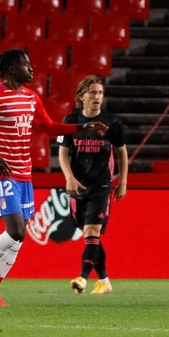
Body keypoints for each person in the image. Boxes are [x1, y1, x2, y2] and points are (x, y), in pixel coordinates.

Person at [0, 49, 108, 307]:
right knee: (16, 231)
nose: (31, 69)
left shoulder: (31, 98)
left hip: (25, 174)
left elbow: (49, 127)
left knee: (19, 239)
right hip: (2, 172)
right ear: (10, 69)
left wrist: (82, 127)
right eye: (25, 65)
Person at [59, 75, 128, 295]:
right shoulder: (70, 120)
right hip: (78, 186)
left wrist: (123, 181)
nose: (97, 97)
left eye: (100, 93)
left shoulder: (112, 122)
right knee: (91, 236)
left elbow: (122, 152)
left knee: (91, 231)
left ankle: (82, 278)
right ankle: (105, 281)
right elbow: (63, 153)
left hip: (101, 186)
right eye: (93, 92)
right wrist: (68, 177)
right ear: (82, 96)